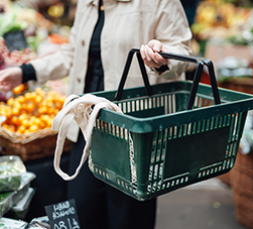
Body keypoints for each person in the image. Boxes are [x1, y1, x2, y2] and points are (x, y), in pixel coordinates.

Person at [0, 0, 192, 228]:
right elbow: (72, 53)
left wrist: (163, 57)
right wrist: (25, 72)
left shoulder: (159, 2)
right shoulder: (87, 2)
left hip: (132, 130)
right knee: (81, 209)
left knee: (128, 217)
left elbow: (182, 53)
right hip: (87, 124)